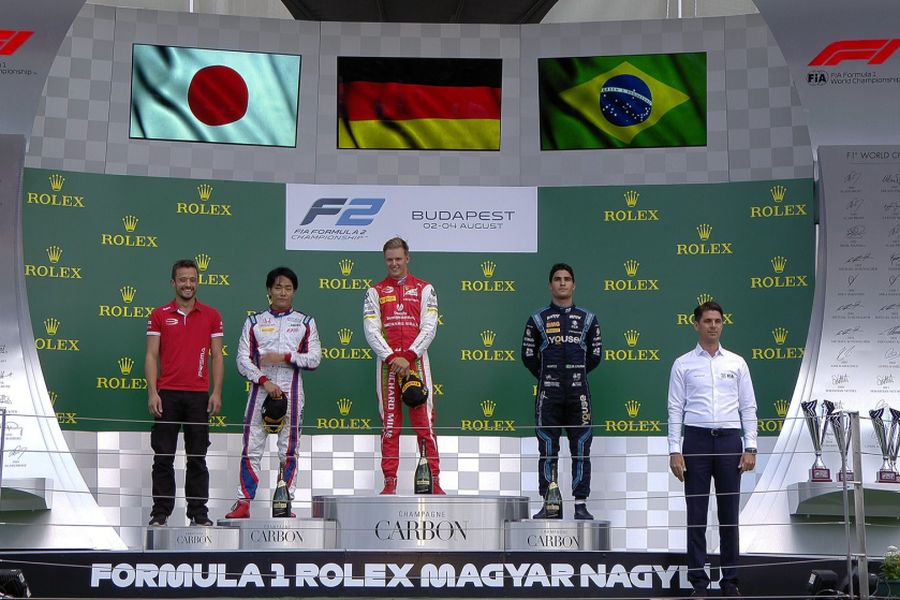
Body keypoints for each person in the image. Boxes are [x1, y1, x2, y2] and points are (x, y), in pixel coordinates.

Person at [667, 300, 758, 597]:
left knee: (729, 515)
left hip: (731, 441)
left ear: (723, 324)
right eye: (707, 321)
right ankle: (699, 584)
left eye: (718, 321)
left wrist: (751, 446)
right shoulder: (682, 363)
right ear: (696, 324)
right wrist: (674, 450)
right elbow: (674, 409)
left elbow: (749, 406)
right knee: (697, 514)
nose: (713, 326)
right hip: (696, 441)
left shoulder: (737, 362)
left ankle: (730, 582)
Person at [225, 266, 321, 519]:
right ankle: (243, 502)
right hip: (261, 390)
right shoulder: (254, 322)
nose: (282, 292)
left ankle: (284, 503)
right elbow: (242, 360)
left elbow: (314, 359)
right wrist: (264, 380)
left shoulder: (305, 322)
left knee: (288, 450)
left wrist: (286, 356)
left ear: (294, 292)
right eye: (278, 287)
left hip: (292, 388)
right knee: (251, 448)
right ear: (269, 290)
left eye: (288, 288)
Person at [145, 258, 223, 527]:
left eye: (192, 279)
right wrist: (153, 392)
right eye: (182, 279)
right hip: (167, 393)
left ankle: (199, 514)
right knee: (163, 457)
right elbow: (151, 355)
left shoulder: (212, 315)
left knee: (197, 458)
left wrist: (217, 392)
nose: (187, 284)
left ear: (197, 282)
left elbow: (217, 357)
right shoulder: (159, 314)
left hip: (199, 396)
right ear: (173, 283)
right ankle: (160, 513)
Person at [521, 263, 602, 520]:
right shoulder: (537, 319)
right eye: (557, 279)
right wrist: (549, 376)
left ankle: (580, 505)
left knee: (580, 448)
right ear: (550, 285)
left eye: (567, 279)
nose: (562, 283)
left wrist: (574, 374)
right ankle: (550, 503)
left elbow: (596, 355)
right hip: (549, 394)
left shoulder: (588, 319)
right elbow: (528, 356)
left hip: (579, 394)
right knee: (547, 448)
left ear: (574, 284)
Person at [363, 237, 442, 495]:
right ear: (384, 260)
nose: (394, 264)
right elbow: (371, 330)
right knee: (389, 425)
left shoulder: (425, 288)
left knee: (425, 425)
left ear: (407, 258)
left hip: (416, 364)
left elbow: (429, 328)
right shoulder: (375, 291)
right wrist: (391, 358)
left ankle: (434, 481)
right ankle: (389, 483)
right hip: (387, 367)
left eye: (398, 258)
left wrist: (408, 356)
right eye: (389, 260)